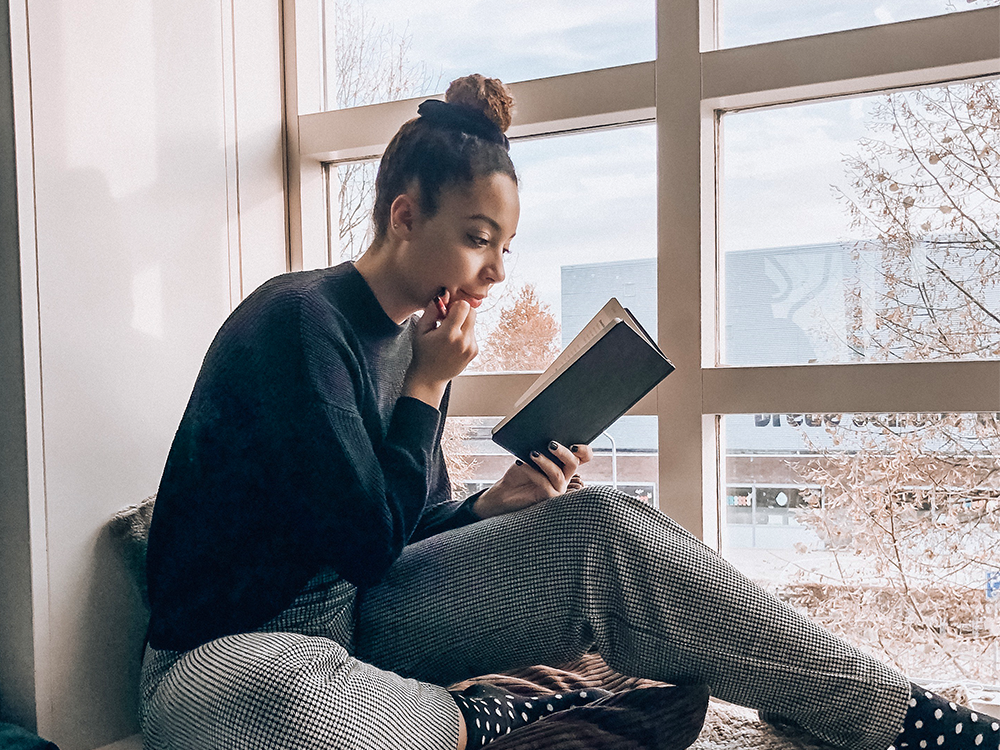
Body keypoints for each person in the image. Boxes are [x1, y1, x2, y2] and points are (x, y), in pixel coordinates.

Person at [140, 74, 999, 750]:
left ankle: (895, 714)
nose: (497, 271)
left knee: (605, 523)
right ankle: (480, 719)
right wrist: (428, 390)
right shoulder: (300, 322)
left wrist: (490, 506)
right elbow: (361, 542)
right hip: (230, 657)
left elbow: (394, 533)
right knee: (284, 710)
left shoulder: (410, 343)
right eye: (478, 237)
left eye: (506, 246)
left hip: (360, 624)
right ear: (405, 215)